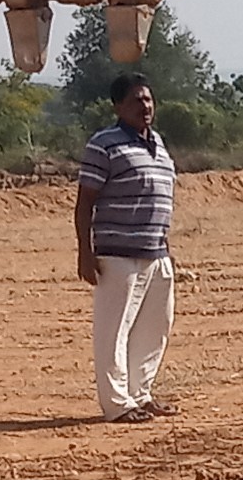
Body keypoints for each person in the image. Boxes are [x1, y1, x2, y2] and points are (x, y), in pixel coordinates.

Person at [76, 70, 180, 424]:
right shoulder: (103, 144)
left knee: (155, 328)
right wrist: (85, 252)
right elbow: (85, 201)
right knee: (113, 330)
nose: (145, 106)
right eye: (136, 100)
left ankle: (141, 393)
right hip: (117, 254)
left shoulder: (159, 144)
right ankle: (118, 405)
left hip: (156, 251)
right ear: (118, 106)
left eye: (148, 99)